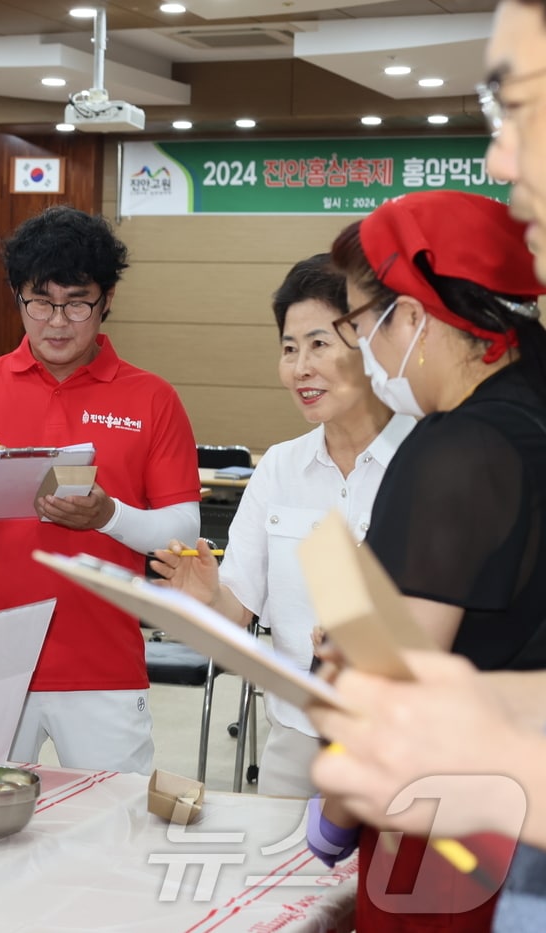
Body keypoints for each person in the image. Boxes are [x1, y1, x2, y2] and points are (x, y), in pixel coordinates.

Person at [310, 190, 546, 928]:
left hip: (455, 820)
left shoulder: (457, 451)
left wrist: (339, 805)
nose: (363, 352)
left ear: (410, 317)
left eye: (357, 326)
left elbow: (392, 690)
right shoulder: (531, 408)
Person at [0, 205, 201, 773]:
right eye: (41, 302)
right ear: (18, 297)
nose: (57, 321)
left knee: (113, 832)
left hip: (103, 662)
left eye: (77, 303)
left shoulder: (152, 398)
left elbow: (182, 530)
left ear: (107, 299)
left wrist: (108, 516)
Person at [149, 255, 413, 796]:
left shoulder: (429, 461)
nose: (300, 368)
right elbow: (237, 609)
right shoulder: (279, 468)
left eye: (319, 344)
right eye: (289, 349)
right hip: (295, 741)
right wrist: (207, 595)